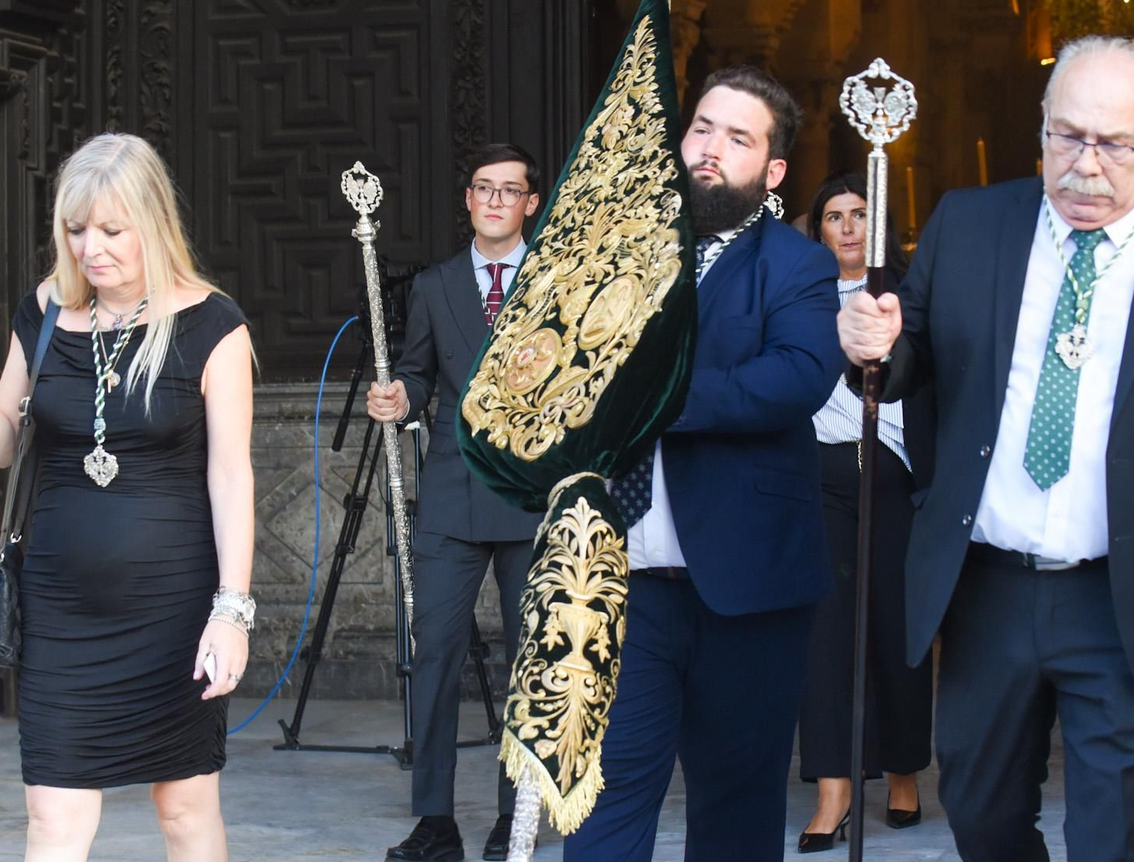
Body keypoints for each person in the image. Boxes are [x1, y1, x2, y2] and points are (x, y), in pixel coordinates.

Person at [835, 35, 1134, 861]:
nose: (1086, 165)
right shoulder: (971, 223)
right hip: (988, 588)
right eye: (1067, 136)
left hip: (1126, 589)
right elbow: (912, 359)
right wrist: (872, 342)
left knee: (1117, 824)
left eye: (1114, 144)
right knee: (978, 806)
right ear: (1042, 128)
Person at [0, 133, 255, 861]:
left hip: (171, 609)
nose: (89, 249)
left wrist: (232, 614)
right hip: (60, 609)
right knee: (52, 818)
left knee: (185, 811)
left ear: (153, 223)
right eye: (74, 231)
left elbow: (231, 476)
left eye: (110, 230)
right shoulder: (43, 312)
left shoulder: (212, 325)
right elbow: (4, 440)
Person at [561, 66, 846, 862]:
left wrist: (655, 396)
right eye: (701, 129)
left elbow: (794, 377)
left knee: (735, 815)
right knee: (603, 805)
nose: (711, 149)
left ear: (773, 170)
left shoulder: (795, 266)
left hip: (747, 591)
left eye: (738, 137)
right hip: (620, 585)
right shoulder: (615, 254)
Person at [367, 143, 542, 862]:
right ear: (467, 199)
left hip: (533, 496)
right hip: (451, 494)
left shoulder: (559, 280)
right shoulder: (437, 286)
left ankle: (517, 814)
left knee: (529, 661)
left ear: (532, 203)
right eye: (484, 189)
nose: (496, 201)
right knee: (433, 653)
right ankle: (435, 819)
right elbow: (415, 375)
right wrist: (398, 396)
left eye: (511, 191)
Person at [796, 173, 933, 852]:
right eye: (834, 217)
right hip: (822, 473)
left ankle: (903, 771)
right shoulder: (800, 296)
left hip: (892, 470)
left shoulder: (908, 295)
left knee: (895, 628)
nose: (847, 228)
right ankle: (833, 790)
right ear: (817, 228)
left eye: (859, 215)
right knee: (826, 636)